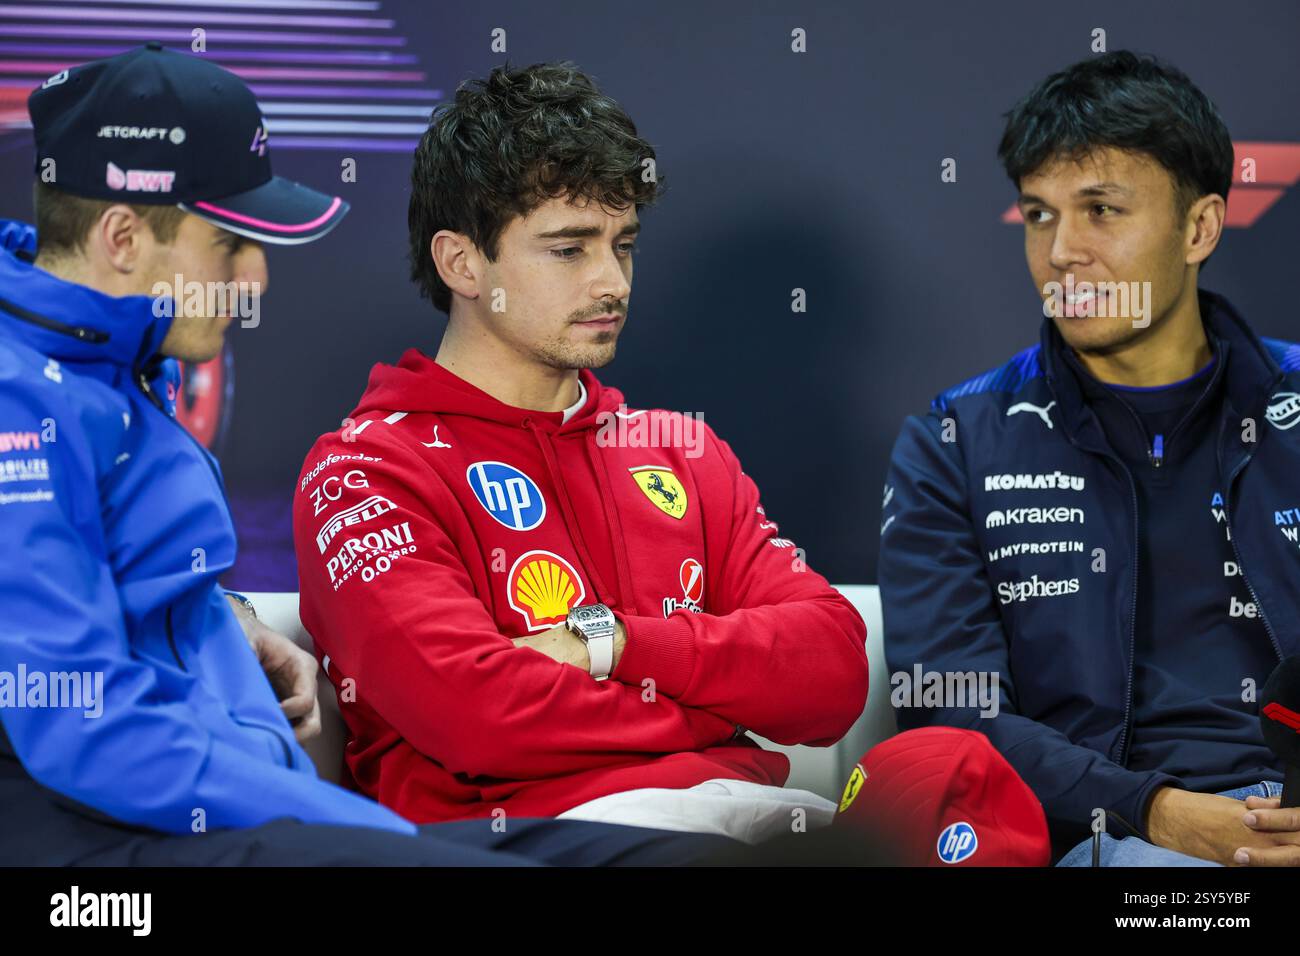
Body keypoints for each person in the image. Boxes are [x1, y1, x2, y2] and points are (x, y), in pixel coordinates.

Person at [0, 45, 739, 867]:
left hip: (232, 815)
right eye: (230, 243)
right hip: (97, 845)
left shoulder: (127, 368)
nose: (256, 278)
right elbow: (86, 728)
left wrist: (223, 614)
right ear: (124, 235)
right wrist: (355, 829)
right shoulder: (18, 401)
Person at [291, 61, 871, 843]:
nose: (613, 283)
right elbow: (477, 715)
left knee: (950, 781)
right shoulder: (367, 471)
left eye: (622, 244)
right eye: (569, 249)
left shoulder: (681, 449)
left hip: (755, 824)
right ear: (463, 263)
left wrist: (614, 643)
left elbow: (832, 676)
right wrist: (713, 707)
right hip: (542, 838)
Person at [879, 50, 1300, 867]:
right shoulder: (956, 441)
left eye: (1101, 209)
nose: (1062, 251)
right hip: (1120, 838)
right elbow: (949, 714)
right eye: (1039, 215)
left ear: (1200, 227)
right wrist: (1157, 811)